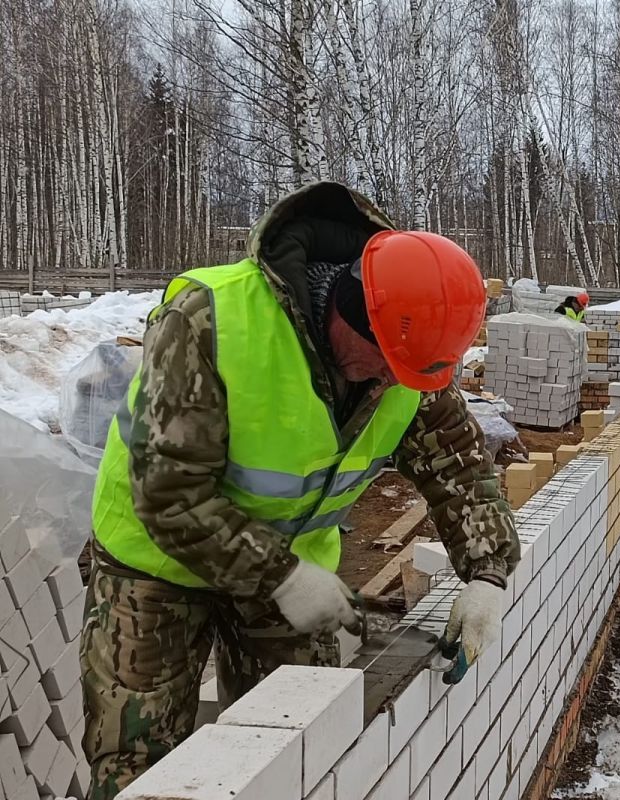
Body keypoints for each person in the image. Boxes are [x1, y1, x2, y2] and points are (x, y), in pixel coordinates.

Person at [80, 181, 521, 799]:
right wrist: (282, 576)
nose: (388, 383)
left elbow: (460, 466)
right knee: (144, 767)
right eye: (382, 362)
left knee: (301, 744)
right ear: (346, 308)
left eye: (406, 375)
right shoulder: (211, 321)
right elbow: (171, 495)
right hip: (154, 564)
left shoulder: (405, 359)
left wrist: (487, 574)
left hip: (286, 569)